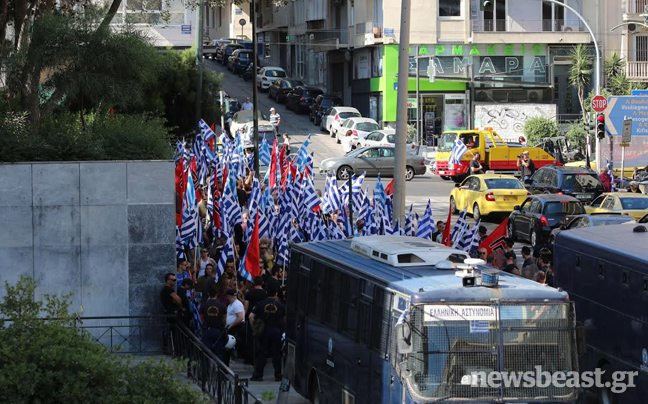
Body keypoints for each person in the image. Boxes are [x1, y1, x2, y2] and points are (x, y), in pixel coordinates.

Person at [249, 286, 286, 382]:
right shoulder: (281, 306)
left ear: (266, 293)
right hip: (276, 331)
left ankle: (258, 375)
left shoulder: (260, 304)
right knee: (276, 354)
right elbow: (285, 319)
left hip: (264, 331)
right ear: (276, 294)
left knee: (262, 353)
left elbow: (251, 317)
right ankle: (278, 375)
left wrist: (255, 328)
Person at [200, 284, 227, 360]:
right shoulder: (221, 305)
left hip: (207, 329)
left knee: (205, 352)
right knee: (219, 352)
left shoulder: (204, 304)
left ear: (208, 294)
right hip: (218, 330)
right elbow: (224, 318)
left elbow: (201, 316)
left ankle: (206, 369)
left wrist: (205, 322)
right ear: (216, 294)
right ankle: (219, 370)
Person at [224, 288, 245, 366]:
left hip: (237, 327)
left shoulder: (237, 304)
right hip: (231, 327)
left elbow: (240, 317)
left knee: (235, 344)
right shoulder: (230, 305)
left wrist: (231, 325)